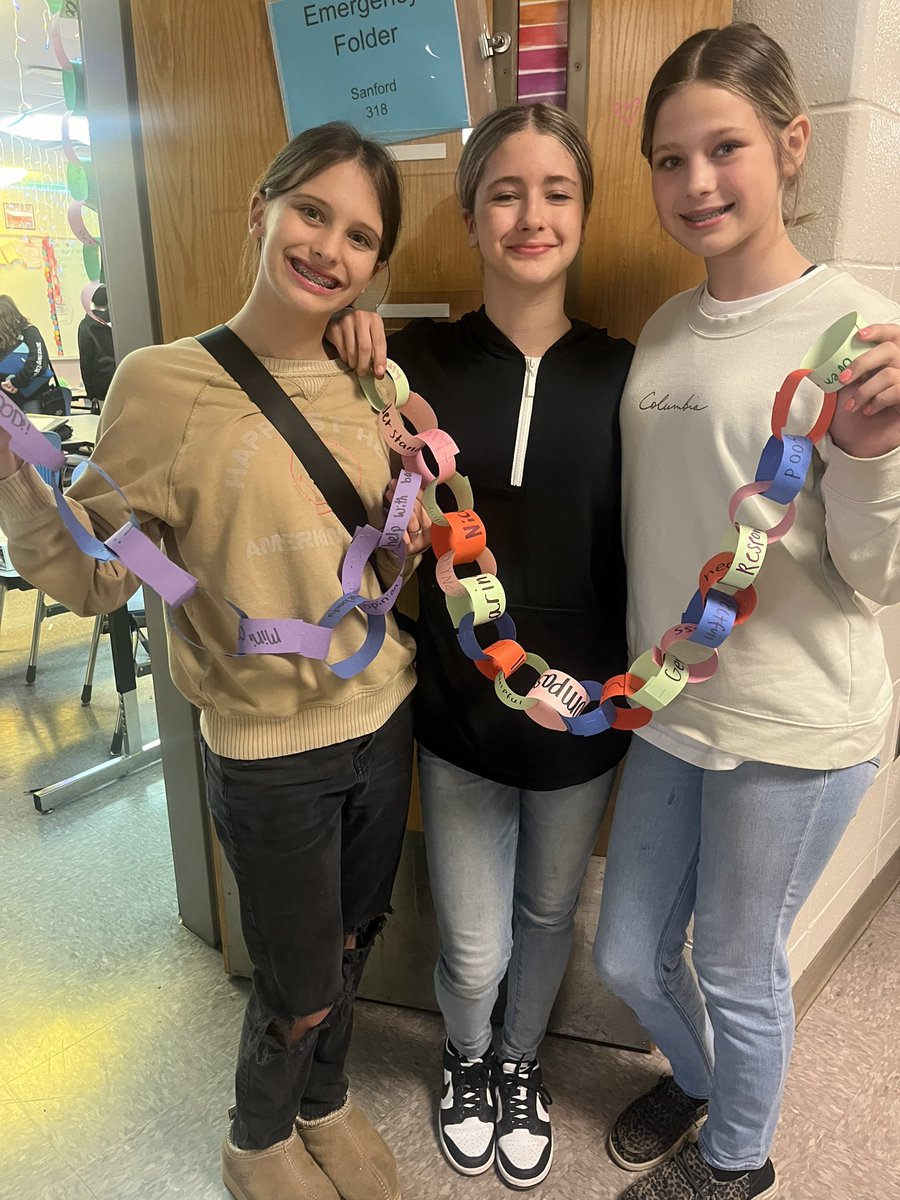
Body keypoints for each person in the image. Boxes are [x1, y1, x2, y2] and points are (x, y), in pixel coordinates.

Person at [0, 122, 432, 1200]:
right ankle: (257, 1135)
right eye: (313, 212)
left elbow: (386, 565)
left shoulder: (373, 382)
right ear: (261, 211)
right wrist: (16, 478)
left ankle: (323, 1103)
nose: (331, 247)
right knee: (294, 973)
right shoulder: (160, 385)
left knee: (355, 936)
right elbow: (101, 575)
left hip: (384, 719)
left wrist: (412, 507)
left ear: (378, 267)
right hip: (266, 745)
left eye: (361, 236)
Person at [591, 23, 900, 1200]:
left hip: (795, 722)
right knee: (626, 953)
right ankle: (710, 1076)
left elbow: (880, 575)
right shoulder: (666, 330)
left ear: (793, 145)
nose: (696, 183)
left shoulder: (858, 332)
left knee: (735, 957)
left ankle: (735, 1164)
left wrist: (876, 457)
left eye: (725, 147)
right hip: (676, 708)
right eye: (669, 160)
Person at [329, 103, 633, 1190]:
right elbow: (357, 482)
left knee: (551, 913)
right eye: (505, 191)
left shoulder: (625, 373)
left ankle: (517, 1063)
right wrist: (350, 336)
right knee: (470, 940)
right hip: (457, 715)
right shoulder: (412, 363)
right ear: (468, 216)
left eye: (557, 191)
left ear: (587, 214)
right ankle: (464, 1056)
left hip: (580, 714)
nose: (531, 214)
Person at [0, 294, 63, 414]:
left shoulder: (29, 331)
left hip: (33, 396)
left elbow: (37, 362)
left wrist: (16, 382)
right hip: (6, 400)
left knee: (35, 430)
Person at [77, 284, 116, 406]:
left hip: (100, 384)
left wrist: (90, 392)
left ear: (91, 300)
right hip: (123, 377)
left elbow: (86, 361)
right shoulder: (120, 320)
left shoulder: (86, 325)